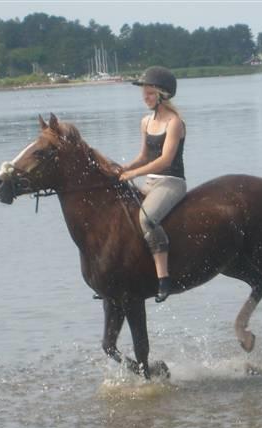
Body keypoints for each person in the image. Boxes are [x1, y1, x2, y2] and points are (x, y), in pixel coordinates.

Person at [118, 66, 186, 303]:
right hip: (150, 182)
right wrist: (122, 169)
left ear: (162, 95)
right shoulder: (146, 122)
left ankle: (164, 279)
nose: (144, 99)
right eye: (143, 94)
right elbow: (145, 157)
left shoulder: (174, 123)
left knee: (147, 218)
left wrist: (134, 173)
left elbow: (165, 160)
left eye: (149, 94)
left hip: (171, 182)